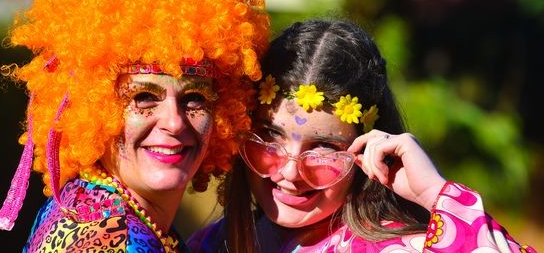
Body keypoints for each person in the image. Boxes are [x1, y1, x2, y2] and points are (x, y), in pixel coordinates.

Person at [0, 0, 269, 252]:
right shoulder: (115, 239)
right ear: (95, 111)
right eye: (144, 98)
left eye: (195, 99)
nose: (174, 122)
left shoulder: (91, 202)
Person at [188, 19, 535, 252]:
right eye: (269, 137)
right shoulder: (213, 244)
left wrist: (434, 194)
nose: (291, 173)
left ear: (365, 153)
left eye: (323, 148)